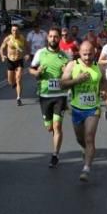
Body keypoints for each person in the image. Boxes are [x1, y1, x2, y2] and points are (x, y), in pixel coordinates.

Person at [61, 41, 103, 182]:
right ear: (79, 52)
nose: (87, 57)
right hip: (76, 108)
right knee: (81, 139)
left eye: (90, 54)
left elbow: (105, 84)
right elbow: (62, 84)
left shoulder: (99, 67)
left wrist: (106, 95)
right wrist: (77, 80)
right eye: (84, 54)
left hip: (93, 108)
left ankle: (86, 168)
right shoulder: (72, 65)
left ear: (95, 52)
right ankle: (86, 150)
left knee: (89, 137)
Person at [29, 27, 70, 168]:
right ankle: (54, 136)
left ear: (59, 38)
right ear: (48, 38)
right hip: (45, 94)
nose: (53, 39)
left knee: (57, 125)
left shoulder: (65, 56)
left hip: (60, 95)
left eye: (56, 36)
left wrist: (66, 73)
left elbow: (70, 76)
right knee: (49, 127)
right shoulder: (41, 53)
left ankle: (55, 155)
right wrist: (36, 73)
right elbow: (31, 68)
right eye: (51, 36)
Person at [0, 24, 27, 106]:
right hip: (10, 61)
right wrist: (2, 56)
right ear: (11, 31)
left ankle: (18, 98)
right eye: (13, 30)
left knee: (18, 79)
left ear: (19, 31)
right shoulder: (8, 39)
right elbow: (1, 48)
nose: (15, 32)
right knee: (10, 81)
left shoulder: (22, 38)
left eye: (16, 30)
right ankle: (13, 84)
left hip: (19, 61)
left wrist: (27, 54)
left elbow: (28, 47)